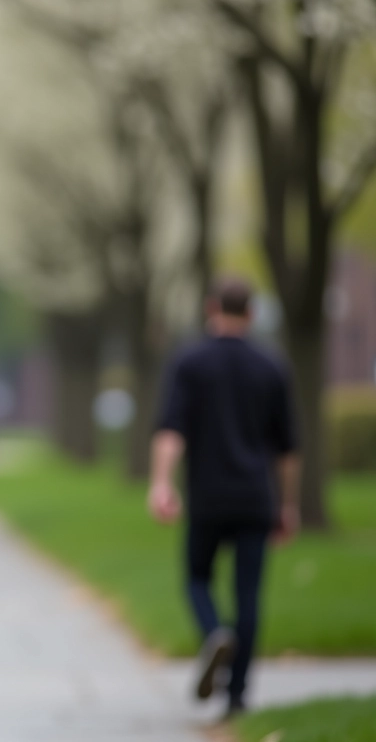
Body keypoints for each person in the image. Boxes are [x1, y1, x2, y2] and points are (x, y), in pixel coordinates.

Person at [148, 277, 300, 719]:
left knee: (197, 577)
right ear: (251, 313)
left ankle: (215, 632)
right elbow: (288, 449)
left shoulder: (190, 361)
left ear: (211, 308)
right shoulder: (272, 365)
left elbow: (172, 430)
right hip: (256, 497)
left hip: (208, 496)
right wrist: (287, 504)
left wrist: (162, 483)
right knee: (249, 592)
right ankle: (237, 696)